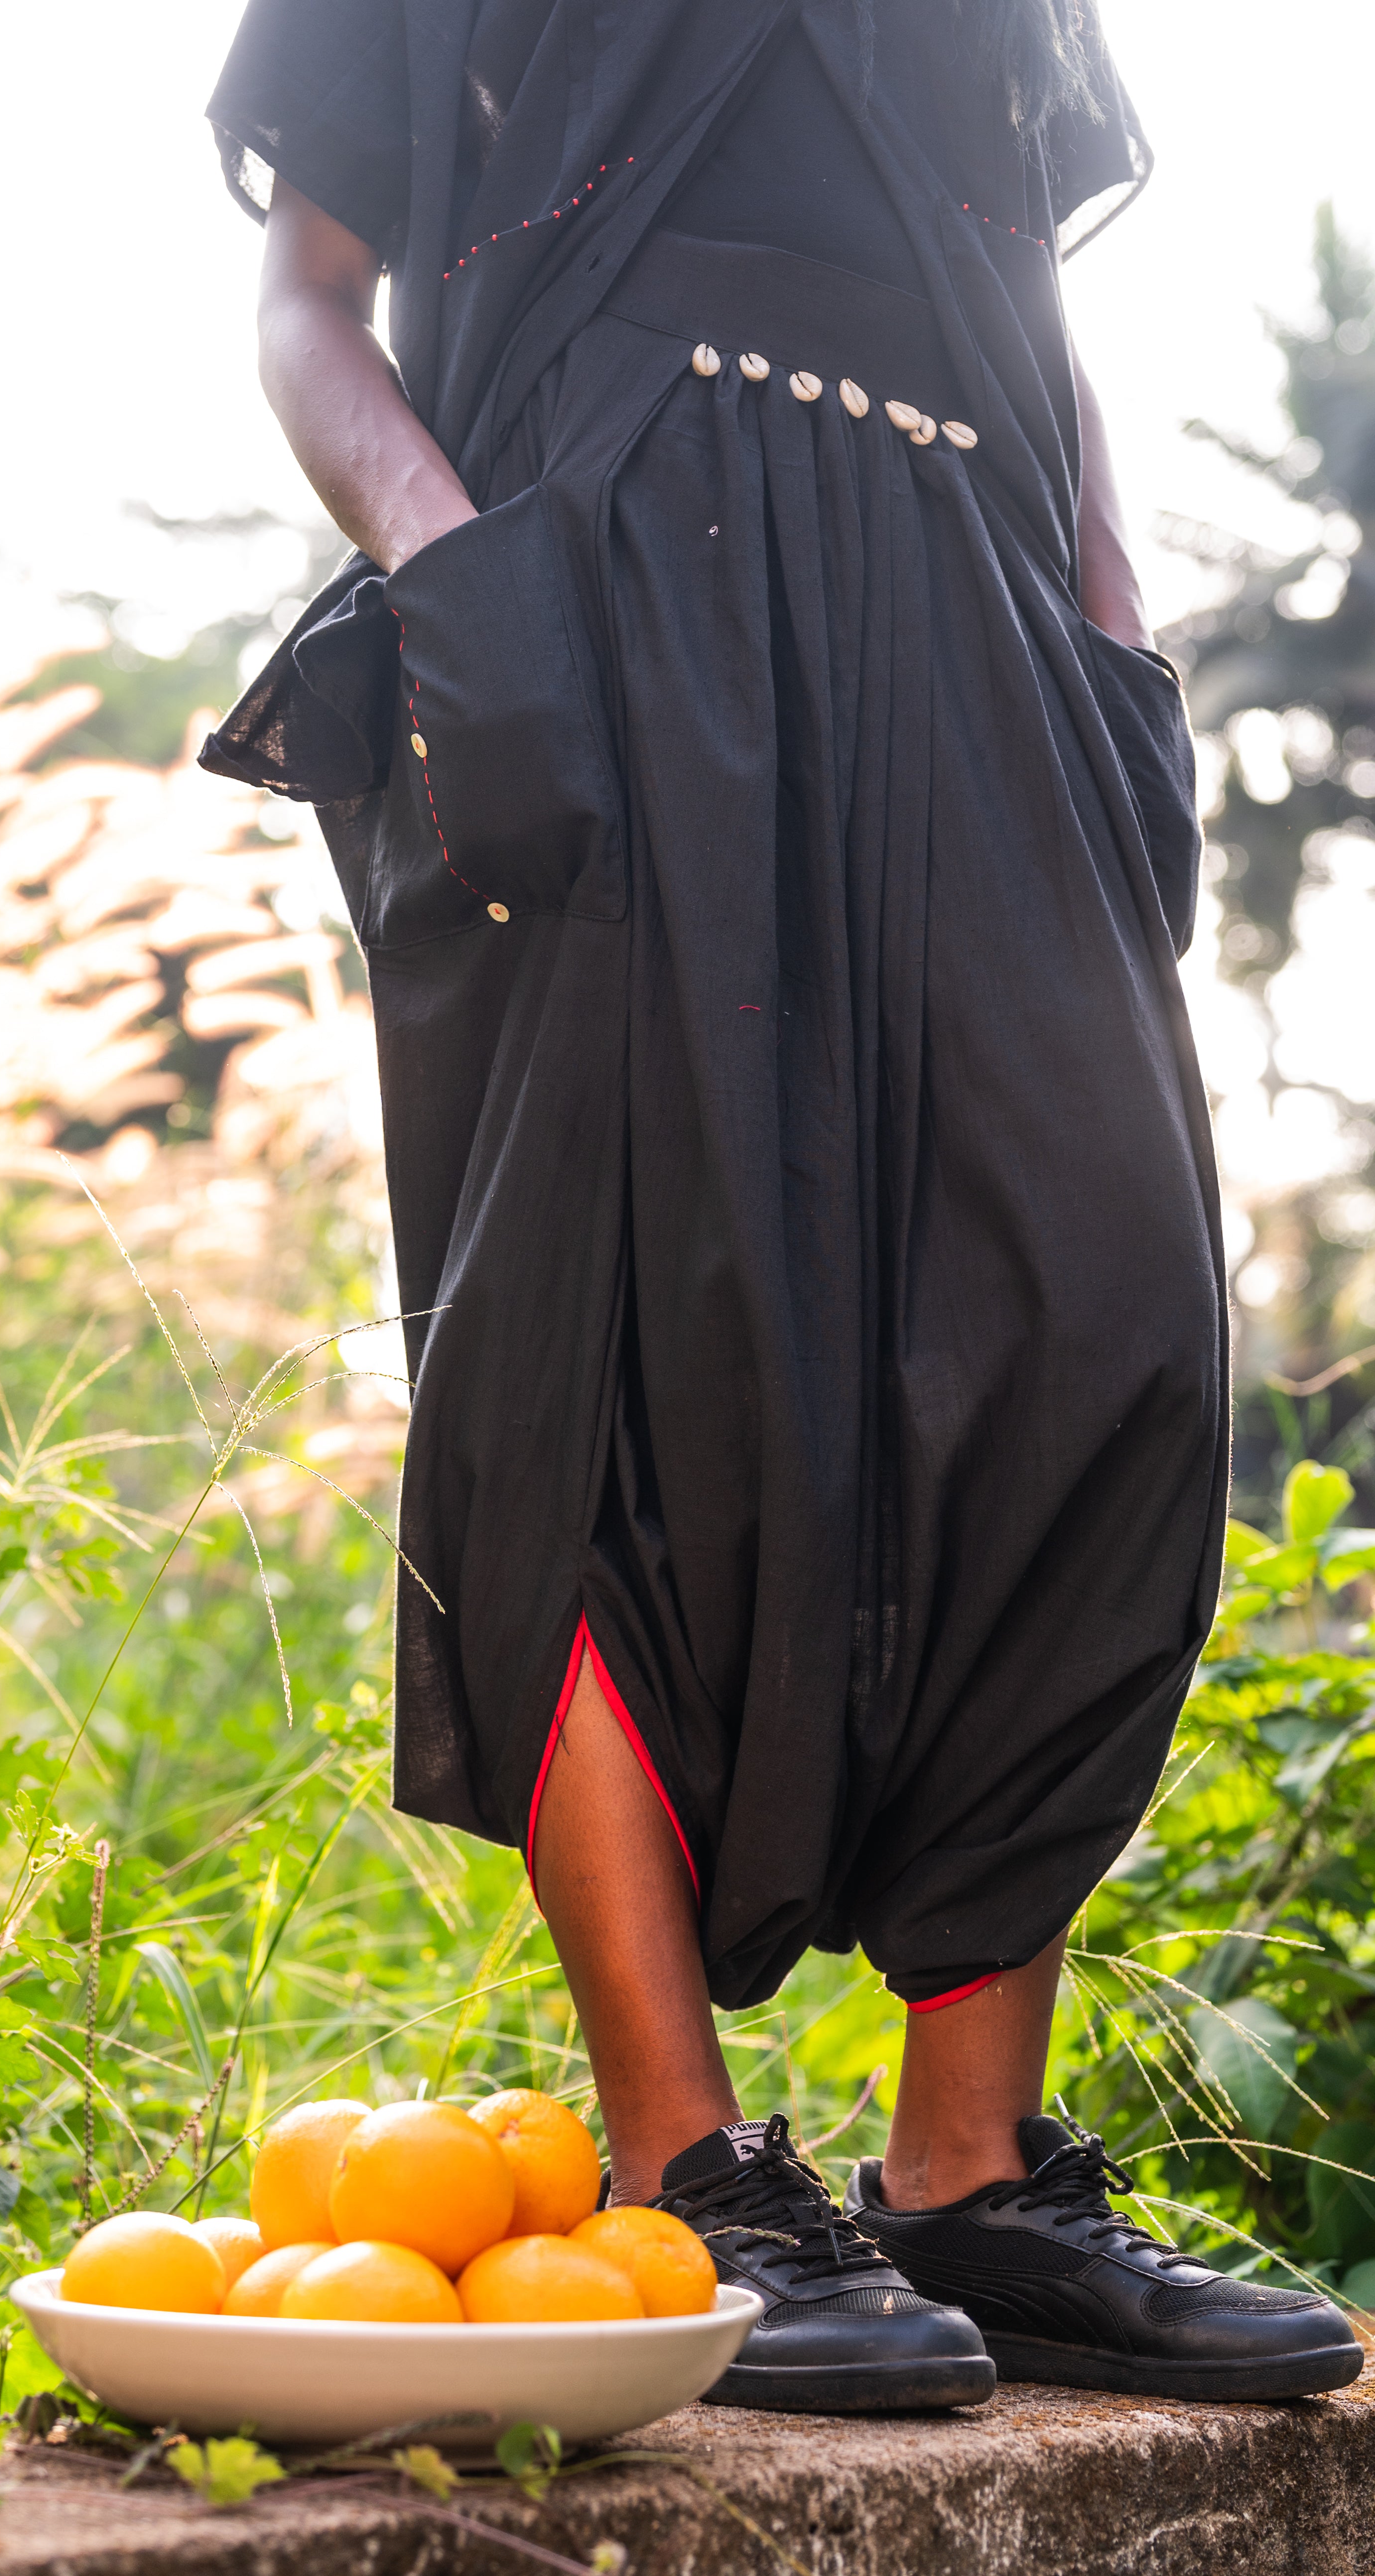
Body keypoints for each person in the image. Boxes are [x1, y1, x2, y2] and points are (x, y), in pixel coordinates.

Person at [201, 0, 1362, 2408]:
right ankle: (686, 2180)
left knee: (1110, 1329)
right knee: (611, 1346)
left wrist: (1111, 638)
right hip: (597, 605)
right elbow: (309, 291)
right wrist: (456, 577)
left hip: (978, 628)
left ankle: (965, 2177)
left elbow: (1034, 314)